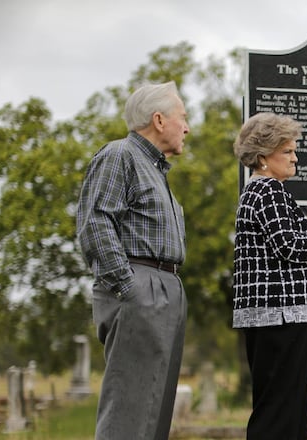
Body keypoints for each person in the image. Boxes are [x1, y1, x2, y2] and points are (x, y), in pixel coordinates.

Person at [76, 81, 190, 439]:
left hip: (164, 288)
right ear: (158, 120)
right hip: (140, 287)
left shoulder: (155, 169)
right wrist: (129, 288)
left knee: (154, 410)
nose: (187, 127)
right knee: (129, 413)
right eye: (183, 118)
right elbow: (95, 221)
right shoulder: (119, 155)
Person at [232, 112, 307, 440]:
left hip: (274, 318)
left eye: (295, 150)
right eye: (287, 151)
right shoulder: (268, 191)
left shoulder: (259, 192)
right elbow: (289, 246)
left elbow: (281, 242)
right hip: (281, 317)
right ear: (264, 156)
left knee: (280, 407)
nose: (295, 157)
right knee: (282, 412)